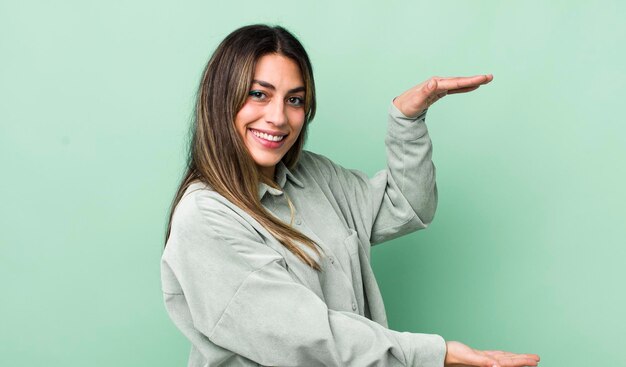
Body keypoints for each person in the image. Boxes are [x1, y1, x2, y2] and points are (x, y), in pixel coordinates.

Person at [161, 24, 540, 367]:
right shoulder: (205, 217)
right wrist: (434, 354)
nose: (278, 117)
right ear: (219, 99)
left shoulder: (314, 176)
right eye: (259, 94)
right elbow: (305, 337)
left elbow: (406, 206)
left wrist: (407, 120)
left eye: (294, 100)